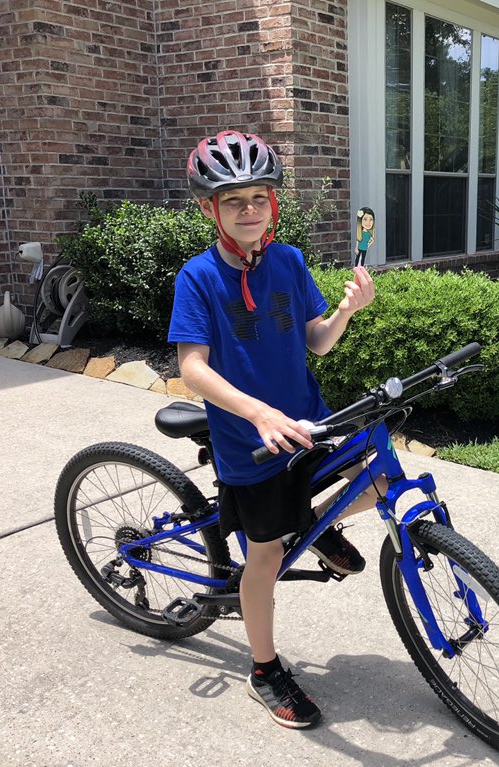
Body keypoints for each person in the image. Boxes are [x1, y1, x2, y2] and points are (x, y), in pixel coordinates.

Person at [169, 129, 378, 729]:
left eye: (259, 198)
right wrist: (257, 412)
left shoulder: (287, 261)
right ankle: (264, 668)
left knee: (375, 480)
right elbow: (191, 369)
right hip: (249, 442)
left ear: (273, 204)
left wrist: (345, 312)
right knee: (263, 559)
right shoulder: (198, 277)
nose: (250, 211)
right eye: (234, 201)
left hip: (307, 424)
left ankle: (313, 525)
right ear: (211, 209)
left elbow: (317, 341)